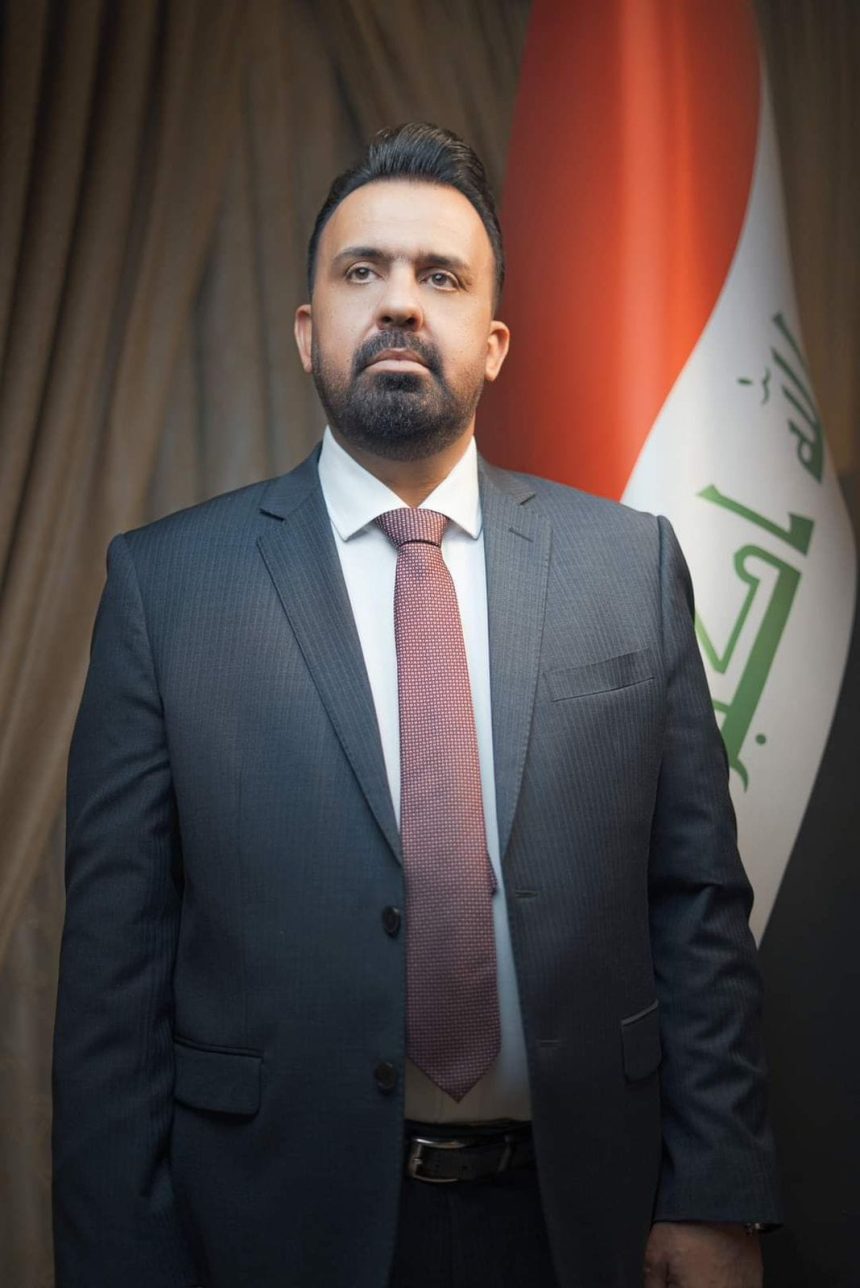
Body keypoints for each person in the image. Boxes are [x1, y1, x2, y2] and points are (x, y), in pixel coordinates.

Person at [52, 123, 781, 1288]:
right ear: (308, 331)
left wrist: (714, 1191)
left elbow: (693, 907)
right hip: (271, 1231)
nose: (399, 302)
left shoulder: (627, 567)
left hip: (579, 1221)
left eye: (439, 277)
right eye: (363, 271)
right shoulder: (165, 587)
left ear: (493, 345)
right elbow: (114, 982)